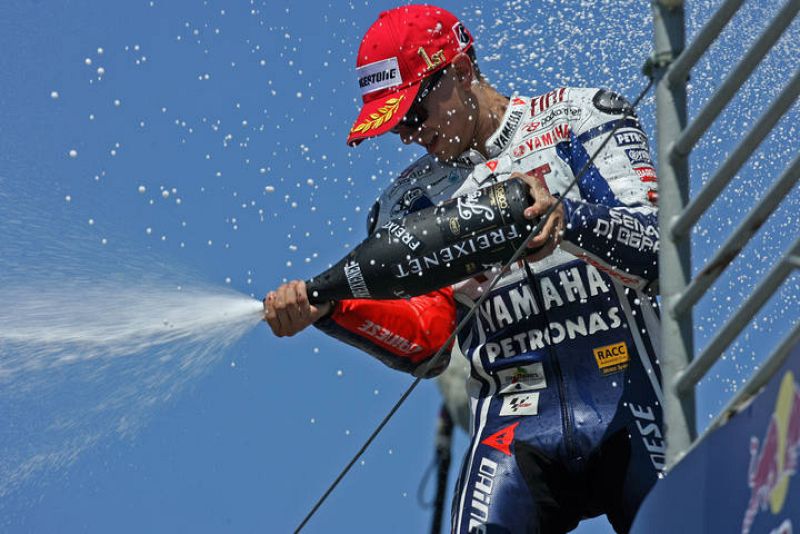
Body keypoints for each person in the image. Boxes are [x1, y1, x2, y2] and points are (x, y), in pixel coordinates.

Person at [264, 4, 664, 533]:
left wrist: (569, 221)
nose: (406, 134)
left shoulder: (581, 114)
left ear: (459, 70)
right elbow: (429, 342)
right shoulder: (405, 204)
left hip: (629, 393)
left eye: (412, 113)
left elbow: (659, 251)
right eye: (395, 125)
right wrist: (334, 309)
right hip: (514, 421)